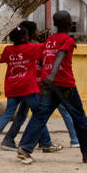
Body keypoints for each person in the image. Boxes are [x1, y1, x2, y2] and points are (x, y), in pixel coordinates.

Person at [17, 11, 87, 164]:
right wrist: (53, 74)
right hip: (64, 83)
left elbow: (44, 58)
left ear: (54, 24)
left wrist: (47, 76)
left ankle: (25, 148)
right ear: (70, 24)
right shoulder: (67, 39)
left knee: (40, 115)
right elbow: (61, 54)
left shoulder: (49, 40)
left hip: (48, 84)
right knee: (79, 117)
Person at [0, 26, 45, 151]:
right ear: (24, 37)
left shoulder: (8, 49)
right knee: (39, 114)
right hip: (28, 87)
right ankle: (46, 142)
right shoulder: (30, 48)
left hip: (13, 86)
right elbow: (45, 48)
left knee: (9, 113)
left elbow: (4, 60)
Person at [23, 20, 78, 148]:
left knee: (37, 115)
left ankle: (36, 142)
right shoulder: (46, 51)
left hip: (39, 86)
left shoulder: (36, 50)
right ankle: (73, 139)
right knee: (66, 112)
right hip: (55, 84)